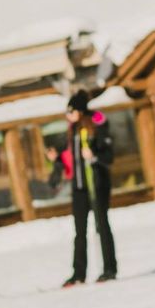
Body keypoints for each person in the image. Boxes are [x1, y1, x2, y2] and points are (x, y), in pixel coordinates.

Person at [55, 90, 118, 287]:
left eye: (71, 111)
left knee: (102, 225)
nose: (68, 116)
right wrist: (56, 158)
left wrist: (94, 156)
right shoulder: (72, 131)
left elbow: (109, 156)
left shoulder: (97, 126)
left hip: (96, 184)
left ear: (80, 111)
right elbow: (70, 158)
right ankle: (78, 273)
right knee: (79, 231)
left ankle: (109, 268)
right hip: (79, 187)